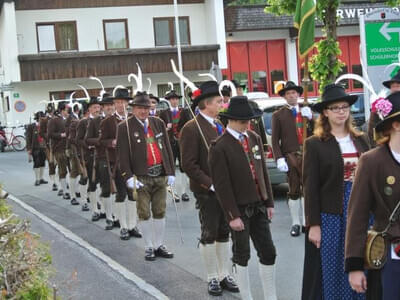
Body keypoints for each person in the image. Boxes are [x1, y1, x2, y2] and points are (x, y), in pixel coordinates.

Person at [302, 83, 370, 300]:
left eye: (344, 107)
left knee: (364, 261)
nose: (341, 111)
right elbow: (310, 187)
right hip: (332, 213)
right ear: (325, 112)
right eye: (335, 108)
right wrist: (313, 224)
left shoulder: (361, 139)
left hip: (362, 210)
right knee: (333, 267)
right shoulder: (315, 144)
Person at [209, 96, 277, 300]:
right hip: (238, 209)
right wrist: (232, 215)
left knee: (268, 252)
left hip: (259, 205)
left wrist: (269, 202)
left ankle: (270, 297)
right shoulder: (219, 146)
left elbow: (263, 172)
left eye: (249, 120)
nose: (246, 124)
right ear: (230, 120)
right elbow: (222, 186)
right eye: (242, 121)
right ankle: (246, 297)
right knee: (242, 255)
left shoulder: (254, 138)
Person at [180, 81, 239, 296]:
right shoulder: (191, 128)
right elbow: (188, 164)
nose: (222, 103)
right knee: (210, 232)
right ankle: (212, 277)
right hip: (207, 190)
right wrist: (210, 183)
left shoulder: (220, 124)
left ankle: (224, 274)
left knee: (225, 231)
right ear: (206, 103)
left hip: (226, 189)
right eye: (218, 101)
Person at [346, 91, 400, 300]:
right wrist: (354, 266)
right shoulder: (371, 162)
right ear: (395, 124)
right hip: (391, 255)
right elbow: (357, 216)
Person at [117, 91, 175, 261]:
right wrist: (127, 176)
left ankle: (158, 244)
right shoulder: (124, 127)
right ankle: (149, 245)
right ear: (133, 109)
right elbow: (122, 156)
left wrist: (171, 171)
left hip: (160, 174)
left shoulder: (158, 123)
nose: (143, 111)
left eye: (146, 107)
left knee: (160, 210)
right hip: (140, 177)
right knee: (144, 212)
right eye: (139, 108)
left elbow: (167, 148)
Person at [271, 81, 313, 237]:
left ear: (298, 94)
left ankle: (305, 222)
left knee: (308, 189)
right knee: (294, 189)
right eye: (288, 93)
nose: (291, 96)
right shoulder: (278, 115)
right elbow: (275, 140)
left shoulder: (306, 110)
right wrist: (279, 158)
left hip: (308, 154)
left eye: (294, 93)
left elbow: (318, 131)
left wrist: (312, 118)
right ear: (284, 97)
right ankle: (295, 222)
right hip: (290, 155)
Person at [99, 88, 141, 239]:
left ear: (127, 103)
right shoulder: (107, 122)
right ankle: (123, 226)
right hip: (116, 163)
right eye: (117, 102)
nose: (119, 105)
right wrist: (112, 142)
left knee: (133, 195)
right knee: (121, 194)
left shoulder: (134, 119)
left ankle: (132, 225)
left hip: (134, 163)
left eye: (122, 102)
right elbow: (101, 141)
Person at [159, 90, 191, 202]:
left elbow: (189, 127)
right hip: (170, 143)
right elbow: (159, 131)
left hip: (182, 143)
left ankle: (183, 192)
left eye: (176, 99)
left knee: (183, 168)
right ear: (169, 100)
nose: (174, 101)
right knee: (171, 168)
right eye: (172, 99)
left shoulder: (185, 112)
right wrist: (166, 129)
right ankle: (174, 193)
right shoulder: (164, 113)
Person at [368, 70, 400, 147]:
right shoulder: (384, 106)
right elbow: (373, 134)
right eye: (393, 86)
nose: (395, 89)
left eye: (398, 85)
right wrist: (374, 113)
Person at [84, 96, 103, 222]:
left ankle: (104, 210)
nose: (97, 109)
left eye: (98, 107)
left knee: (104, 184)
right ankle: (95, 210)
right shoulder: (84, 122)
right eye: (94, 107)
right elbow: (79, 140)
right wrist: (96, 143)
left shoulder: (104, 120)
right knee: (93, 183)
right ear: (89, 109)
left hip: (103, 157)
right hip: (90, 157)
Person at [48, 101, 70, 200]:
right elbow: (50, 134)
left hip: (69, 147)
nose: (68, 111)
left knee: (72, 170)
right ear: (61, 110)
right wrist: (61, 135)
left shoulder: (70, 119)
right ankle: (64, 191)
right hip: (58, 148)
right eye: (66, 109)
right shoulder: (54, 120)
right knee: (62, 169)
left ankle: (72, 189)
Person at [26, 111, 48, 186]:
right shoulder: (31, 126)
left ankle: (41, 178)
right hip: (35, 147)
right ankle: (37, 179)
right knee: (36, 162)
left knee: (43, 162)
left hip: (44, 147)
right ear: (38, 118)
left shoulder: (45, 126)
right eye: (42, 118)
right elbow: (28, 138)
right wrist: (29, 148)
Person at [65, 101, 81, 205]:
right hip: (74, 148)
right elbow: (69, 135)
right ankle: (72, 195)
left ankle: (79, 191)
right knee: (74, 171)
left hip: (80, 149)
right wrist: (68, 148)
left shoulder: (75, 118)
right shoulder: (72, 119)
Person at [40, 103, 58, 191]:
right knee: (51, 164)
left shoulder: (57, 119)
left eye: (52, 110)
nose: (51, 112)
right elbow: (41, 132)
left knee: (60, 163)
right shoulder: (44, 120)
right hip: (48, 145)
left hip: (57, 144)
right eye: (50, 111)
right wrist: (48, 136)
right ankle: (53, 182)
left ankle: (60, 180)